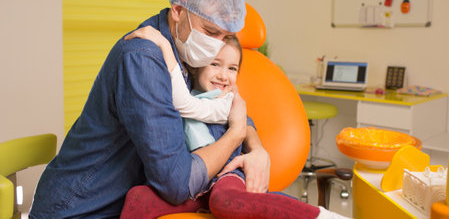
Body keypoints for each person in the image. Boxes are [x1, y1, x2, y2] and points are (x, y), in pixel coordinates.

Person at [29, 0, 270, 218]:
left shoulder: (190, 47)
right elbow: (176, 182)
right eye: (210, 32)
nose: (216, 46)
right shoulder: (143, 59)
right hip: (78, 210)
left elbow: (229, 105)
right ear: (178, 11)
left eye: (226, 37)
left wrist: (257, 150)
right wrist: (235, 134)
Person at [120, 31, 349, 219]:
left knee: (224, 200)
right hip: (194, 185)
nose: (223, 75)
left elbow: (185, 104)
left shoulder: (228, 101)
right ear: (195, 65)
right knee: (138, 196)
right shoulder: (191, 91)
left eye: (232, 68)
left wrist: (163, 44)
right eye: (215, 64)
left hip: (226, 175)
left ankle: (320, 216)